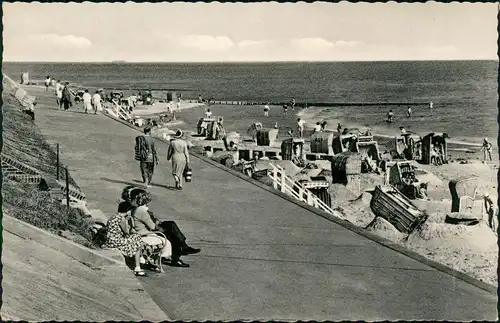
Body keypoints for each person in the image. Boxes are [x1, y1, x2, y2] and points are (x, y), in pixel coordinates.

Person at [127, 189, 190, 268]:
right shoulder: (141, 210)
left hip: (143, 232)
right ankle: (178, 255)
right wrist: (157, 224)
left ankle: (181, 250)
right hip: (145, 234)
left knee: (171, 226)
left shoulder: (136, 208)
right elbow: (152, 226)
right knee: (172, 235)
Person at [103, 205, 146, 276]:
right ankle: (137, 266)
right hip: (116, 242)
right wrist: (127, 221)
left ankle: (140, 259)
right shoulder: (121, 218)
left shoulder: (115, 216)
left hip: (110, 240)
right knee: (137, 238)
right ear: (128, 211)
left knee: (135, 239)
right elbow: (127, 232)